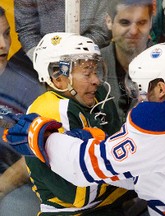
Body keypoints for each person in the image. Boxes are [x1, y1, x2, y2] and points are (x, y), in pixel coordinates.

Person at [5, 42, 165, 215]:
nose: (137, 94)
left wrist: (42, 136)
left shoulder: (160, 123)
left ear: (162, 88)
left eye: (141, 86)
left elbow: (85, 166)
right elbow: (144, 167)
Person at [18, 32, 140, 215]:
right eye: (87, 73)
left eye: (95, 71)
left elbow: (123, 153)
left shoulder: (97, 96)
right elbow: (78, 194)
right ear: (58, 77)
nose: (96, 80)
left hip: (112, 203)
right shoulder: (51, 110)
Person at [0, 6, 44, 215]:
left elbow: (37, 151)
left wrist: (2, 186)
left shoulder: (28, 86)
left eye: (6, 34)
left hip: (17, 187)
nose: (3, 45)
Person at [101, 0, 153, 123]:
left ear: (151, 23)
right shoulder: (93, 66)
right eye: (125, 22)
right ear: (109, 21)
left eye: (141, 22)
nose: (134, 31)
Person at [14, 0, 110, 61]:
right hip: (42, 59)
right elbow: (27, 30)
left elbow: (102, 32)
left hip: (90, 60)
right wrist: (43, 62)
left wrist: (77, 55)